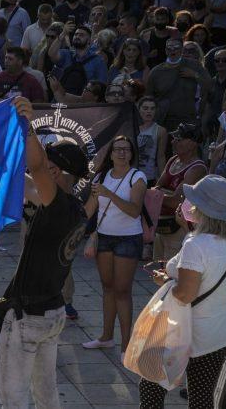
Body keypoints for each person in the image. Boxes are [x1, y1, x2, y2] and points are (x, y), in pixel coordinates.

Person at [0, 97, 90, 408]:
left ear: (59, 172)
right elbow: (30, 185)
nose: (43, 168)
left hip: (30, 314)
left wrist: (27, 126)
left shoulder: (58, 205)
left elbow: (35, 167)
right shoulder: (74, 208)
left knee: (12, 397)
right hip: (53, 311)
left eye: (50, 166)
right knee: (46, 393)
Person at [139, 175, 226, 407]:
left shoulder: (195, 245)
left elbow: (185, 294)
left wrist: (165, 281)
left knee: (151, 388)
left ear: (201, 208)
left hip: (180, 331)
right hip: (217, 334)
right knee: (202, 398)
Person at [81, 136, 147, 354]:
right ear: (110, 154)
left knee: (122, 291)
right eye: (117, 149)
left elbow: (134, 210)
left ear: (131, 153)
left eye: (126, 150)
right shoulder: (101, 176)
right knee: (107, 288)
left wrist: (109, 194)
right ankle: (106, 337)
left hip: (128, 238)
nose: (122, 153)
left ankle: (126, 345)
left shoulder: (137, 177)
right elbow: (90, 210)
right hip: (104, 237)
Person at [153, 123, 208, 261]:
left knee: (172, 272)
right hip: (163, 225)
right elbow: (157, 189)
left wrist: (158, 194)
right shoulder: (173, 160)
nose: (173, 142)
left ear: (192, 144)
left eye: (178, 139)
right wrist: (163, 194)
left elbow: (176, 201)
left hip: (180, 228)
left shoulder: (197, 168)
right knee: (160, 271)